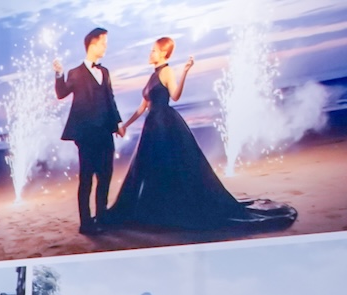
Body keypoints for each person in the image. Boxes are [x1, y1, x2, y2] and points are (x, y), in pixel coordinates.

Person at [104, 38, 297, 233]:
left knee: (168, 166)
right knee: (149, 168)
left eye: (154, 50)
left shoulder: (167, 72)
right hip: (152, 125)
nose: (150, 53)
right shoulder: (153, 75)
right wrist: (124, 125)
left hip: (164, 124)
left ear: (163, 53)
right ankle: (155, 209)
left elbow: (175, 96)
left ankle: (168, 210)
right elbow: (142, 107)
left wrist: (185, 72)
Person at [54, 28, 123, 236]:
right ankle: (86, 223)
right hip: (86, 135)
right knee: (86, 179)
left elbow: (110, 99)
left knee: (105, 176)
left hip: (105, 132)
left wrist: (118, 123)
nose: (105, 47)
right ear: (92, 44)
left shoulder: (105, 72)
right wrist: (59, 74)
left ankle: (102, 216)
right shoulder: (75, 73)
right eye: (103, 43)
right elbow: (61, 93)